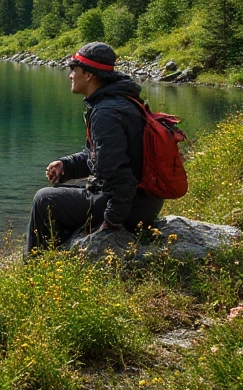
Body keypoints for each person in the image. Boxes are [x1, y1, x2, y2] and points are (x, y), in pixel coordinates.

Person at [24, 41, 164, 257]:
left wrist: (110, 223)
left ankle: (35, 268)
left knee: (45, 199)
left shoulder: (106, 113)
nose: (70, 75)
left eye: (73, 69)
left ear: (89, 75)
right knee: (58, 196)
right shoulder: (117, 102)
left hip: (131, 208)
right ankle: (58, 257)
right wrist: (67, 166)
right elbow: (99, 158)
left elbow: (120, 175)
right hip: (141, 201)